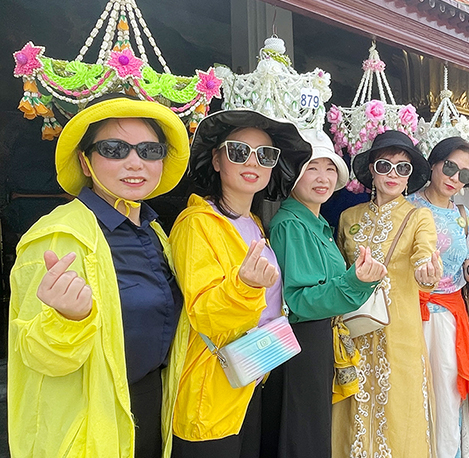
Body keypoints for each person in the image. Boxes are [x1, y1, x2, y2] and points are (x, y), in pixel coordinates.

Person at [8, 95, 190, 457]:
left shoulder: (154, 231)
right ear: (85, 162)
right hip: (88, 419)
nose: (135, 162)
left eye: (150, 151)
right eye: (114, 149)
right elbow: (37, 357)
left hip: (151, 403)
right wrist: (68, 320)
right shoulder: (58, 237)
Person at [168, 109, 311, 457]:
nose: (252, 161)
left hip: (250, 377)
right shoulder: (197, 224)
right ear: (217, 160)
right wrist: (244, 286)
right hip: (211, 391)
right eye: (238, 151)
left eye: (265, 155)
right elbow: (204, 313)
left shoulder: (254, 224)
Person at [268, 129, 387, 458]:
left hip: (318, 340)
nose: (322, 177)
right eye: (312, 167)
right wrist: (356, 282)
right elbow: (299, 301)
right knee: (301, 437)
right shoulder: (291, 225)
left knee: (312, 432)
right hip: (300, 343)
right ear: (294, 174)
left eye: (330, 168)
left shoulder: (316, 223)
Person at [332, 130, 442, 457]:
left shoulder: (419, 216)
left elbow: (424, 255)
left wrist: (426, 271)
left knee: (400, 411)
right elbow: (338, 271)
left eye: (402, 168)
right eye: (384, 165)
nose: (393, 174)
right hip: (354, 332)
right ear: (372, 171)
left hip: (400, 333)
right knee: (353, 408)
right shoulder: (349, 218)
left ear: (409, 176)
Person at [407, 137, 469, 458]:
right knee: (410, 389)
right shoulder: (407, 207)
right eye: (449, 167)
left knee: (446, 394)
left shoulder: (465, 217)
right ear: (434, 163)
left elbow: (467, 267)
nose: (455, 178)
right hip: (409, 312)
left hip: (448, 316)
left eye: (465, 174)